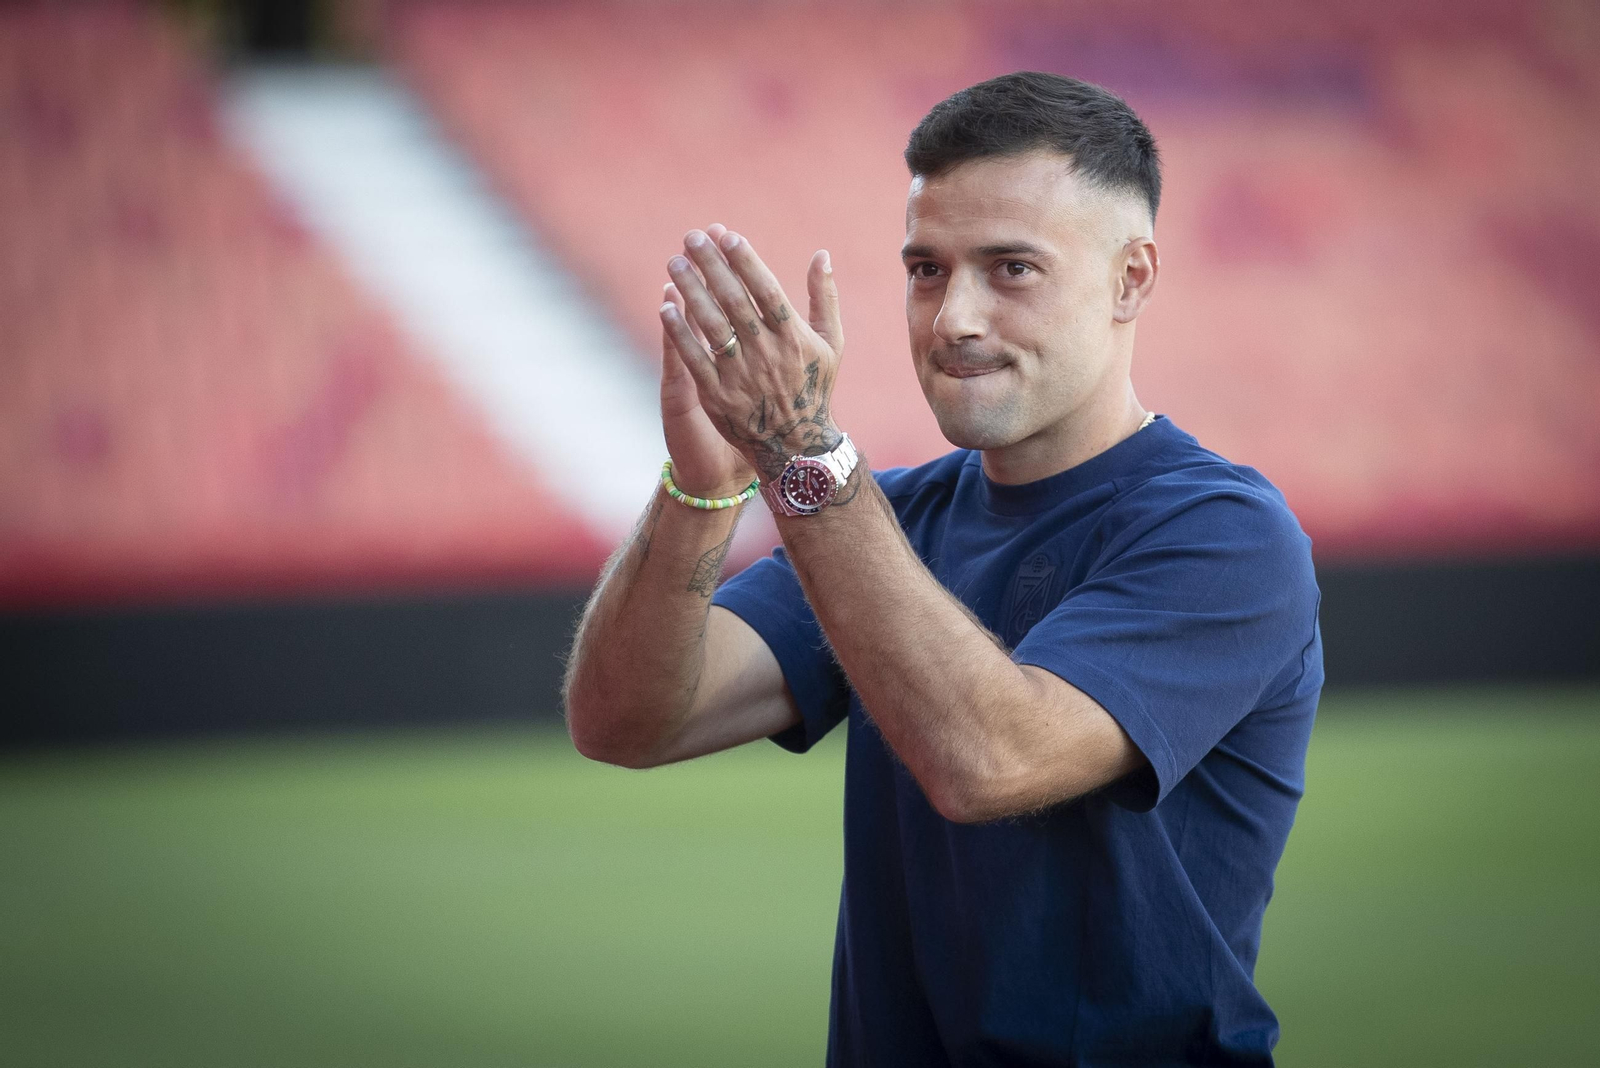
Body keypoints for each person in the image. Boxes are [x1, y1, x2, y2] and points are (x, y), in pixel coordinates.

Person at [563, 71, 1323, 1067]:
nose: (953, 317)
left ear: (1132, 278)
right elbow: (626, 720)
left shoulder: (1222, 533)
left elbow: (990, 761)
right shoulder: (891, 513)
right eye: (927, 270)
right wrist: (705, 488)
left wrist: (796, 454)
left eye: (1010, 268)